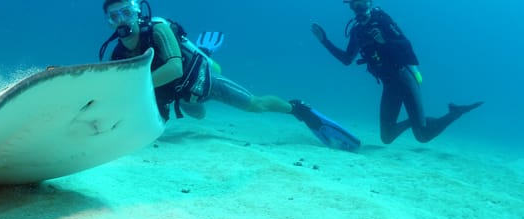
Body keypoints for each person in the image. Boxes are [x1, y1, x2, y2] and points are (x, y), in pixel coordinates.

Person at [99, 0, 362, 151]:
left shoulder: (158, 29)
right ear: (109, 21)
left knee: (255, 105)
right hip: (178, 95)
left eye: (126, 12)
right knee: (197, 115)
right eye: (114, 16)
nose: (122, 20)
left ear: (137, 12)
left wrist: (134, 87)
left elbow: (175, 69)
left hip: (202, 82)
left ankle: (298, 109)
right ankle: (202, 53)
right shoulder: (118, 52)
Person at [310, 0, 483, 144]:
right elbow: (347, 59)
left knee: (422, 136)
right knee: (387, 137)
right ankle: (416, 121)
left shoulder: (382, 20)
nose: (356, 6)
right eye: (353, 4)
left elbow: (407, 46)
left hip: (404, 78)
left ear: (369, 2)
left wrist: (384, 41)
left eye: (360, 2)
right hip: (389, 85)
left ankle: (455, 113)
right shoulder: (358, 31)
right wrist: (324, 41)